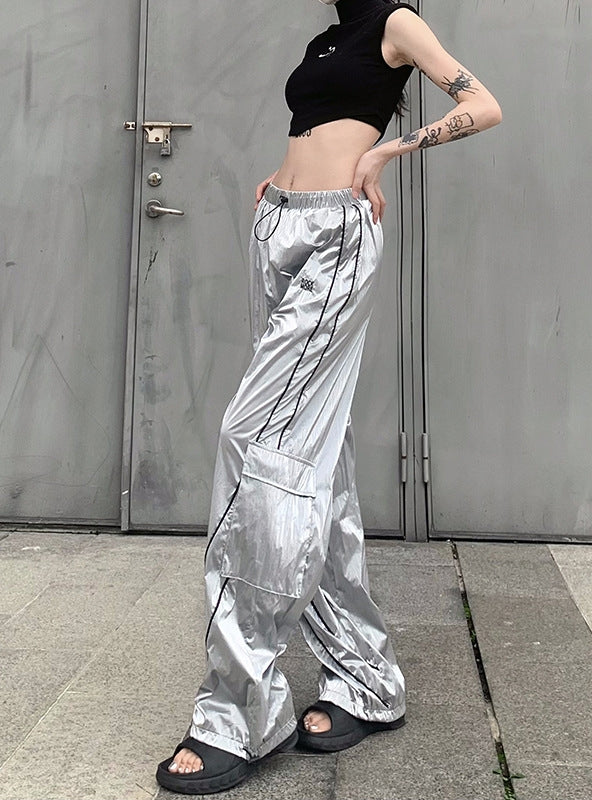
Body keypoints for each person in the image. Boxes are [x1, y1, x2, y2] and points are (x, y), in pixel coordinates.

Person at [156, 0, 502, 794]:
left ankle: (239, 710)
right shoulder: (325, 39)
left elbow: (484, 105)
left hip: (338, 234)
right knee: (315, 456)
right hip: (278, 225)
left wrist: (385, 154)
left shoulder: (396, 22)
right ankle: (365, 678)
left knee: (259, 445)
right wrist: (281, 183)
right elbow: (312, 130)